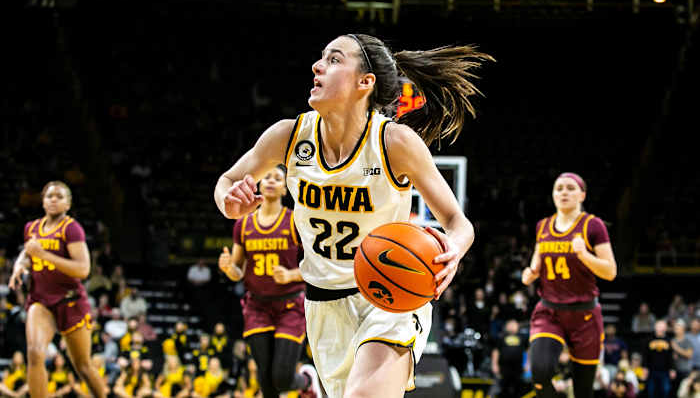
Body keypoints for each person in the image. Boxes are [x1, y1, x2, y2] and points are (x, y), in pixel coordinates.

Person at [214, 34, 490, 397]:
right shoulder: (288, 136)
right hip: (322, 303)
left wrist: (453, 250)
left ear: (365, 82)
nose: (317, 66)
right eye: (320, 58)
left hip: (390, 292)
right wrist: (230, 202)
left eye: (333, 59)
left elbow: (458, 222)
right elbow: (227, 181)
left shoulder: (395, 143)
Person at [218, 165, 320, 398]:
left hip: (290, 305)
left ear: (285, 188)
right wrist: (228, 267)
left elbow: (317, 266)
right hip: (257, 306)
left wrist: (291, 275)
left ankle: (306, 381)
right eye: (267, 177)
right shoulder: (243, 224)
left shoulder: (295, 221)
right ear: (258, 186)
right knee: (265, 379)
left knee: (282, 378)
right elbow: (237, 271)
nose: (271, 181)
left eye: (277, 178)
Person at [522, 172, 618, 398]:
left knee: (584, 390)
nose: (564, 192)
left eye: (570, 188)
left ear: (582, 194)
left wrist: (584, 255)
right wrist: (530, 274)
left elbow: (611, 272)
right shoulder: (543, 226)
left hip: (584, 315)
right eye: (559, 188)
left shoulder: (593, 226)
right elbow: (535, 264)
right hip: (549, 311)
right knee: (540, 373)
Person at [7, 181, 107, 398]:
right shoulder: (31, 228)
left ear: (68, 204)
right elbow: (28, 252)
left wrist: (44, 256)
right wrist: (19, 265)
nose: (53, 199)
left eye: (59, 197)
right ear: (43, 201)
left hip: (70, 301)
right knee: (34, 353)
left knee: (83, 367)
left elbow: (83, 269)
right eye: (49, 196)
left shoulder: (71, 228)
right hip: (41, 302)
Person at [646, 319, 675, 398]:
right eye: (659, 327)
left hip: (665, 370)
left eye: (662, 327)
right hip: (652, 370)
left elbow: (671, 356)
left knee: (665, 390)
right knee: (651, 391)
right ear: (655, 327)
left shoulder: (669, 340)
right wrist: (645, 368)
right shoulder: (649, 339)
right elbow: (646, 355)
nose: (660, 329)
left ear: (665, 329)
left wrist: (672, 369)